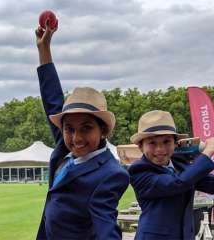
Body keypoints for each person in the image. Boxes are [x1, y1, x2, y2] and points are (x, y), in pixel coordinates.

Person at [35, 21, 129, 240]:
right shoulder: (65, 147)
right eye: (69, 129)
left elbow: (107, 229)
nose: (76, 138)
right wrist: (44, 49)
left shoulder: (112, 174)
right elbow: (52, 98)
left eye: (86, 128)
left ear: (103, 130)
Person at [128, 110, 214, 240]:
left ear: (175, 143)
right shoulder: (138, 171)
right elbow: (177, 183)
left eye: (166, 141)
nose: (160, 149)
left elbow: (210, 184)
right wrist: (208, 152)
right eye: (152, 143)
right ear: (141, 146)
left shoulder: (180, 164)